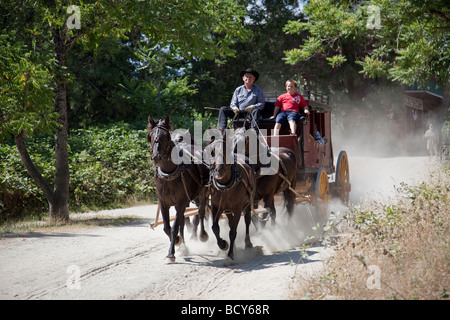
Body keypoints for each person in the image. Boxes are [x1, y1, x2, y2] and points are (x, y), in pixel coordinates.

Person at [217, 68, 265, 133]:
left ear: (253, 79)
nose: (248, 78)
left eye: (250, 77)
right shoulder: (238, 90)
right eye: (246, 76)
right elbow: (233, 103)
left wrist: (253, 107)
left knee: (256, 111)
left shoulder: (258, 90)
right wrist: (234, 108)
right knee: (223, 109)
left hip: (251, 114)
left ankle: (254, 132)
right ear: (243, 78)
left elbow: (261, 103)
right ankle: (221, 130)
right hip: (238, 113)